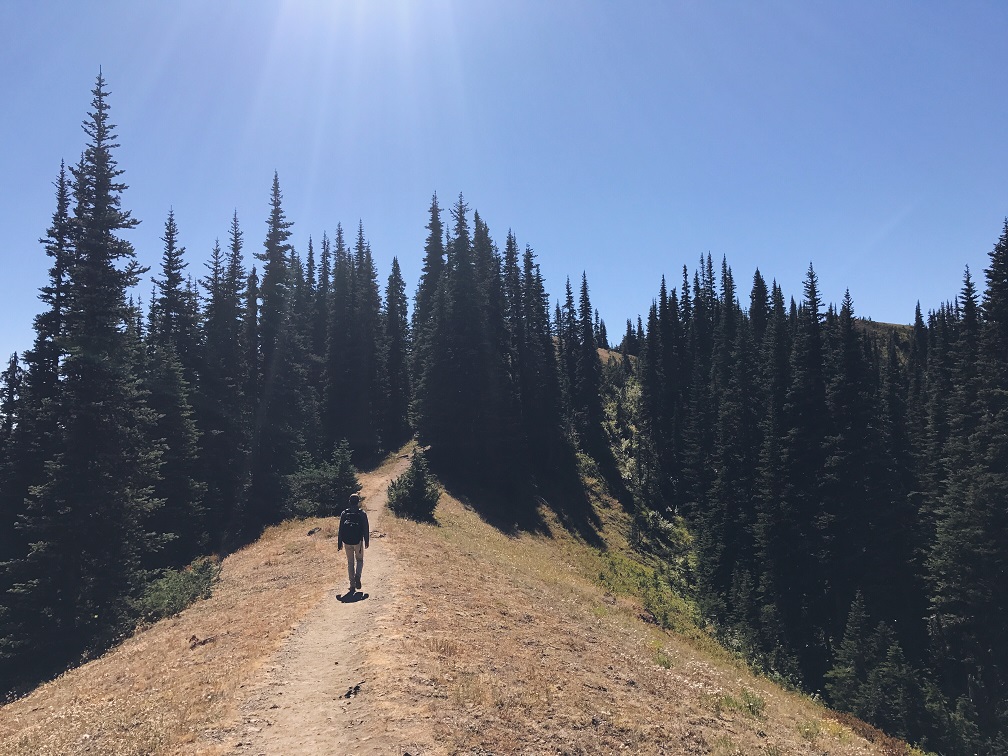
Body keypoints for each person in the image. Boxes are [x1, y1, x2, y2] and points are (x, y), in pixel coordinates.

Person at [337, 492, 370, 593]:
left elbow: (341, 529)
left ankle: (352, 585)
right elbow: (365, 528)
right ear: (358, 502)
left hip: (347, 542)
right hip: (358, 542)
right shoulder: (362, 513)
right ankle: (358, 576)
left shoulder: (344, 513)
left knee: (350, 562)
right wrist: (366, 540)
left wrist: (339, 543)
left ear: (349, 502)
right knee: (359, 560)